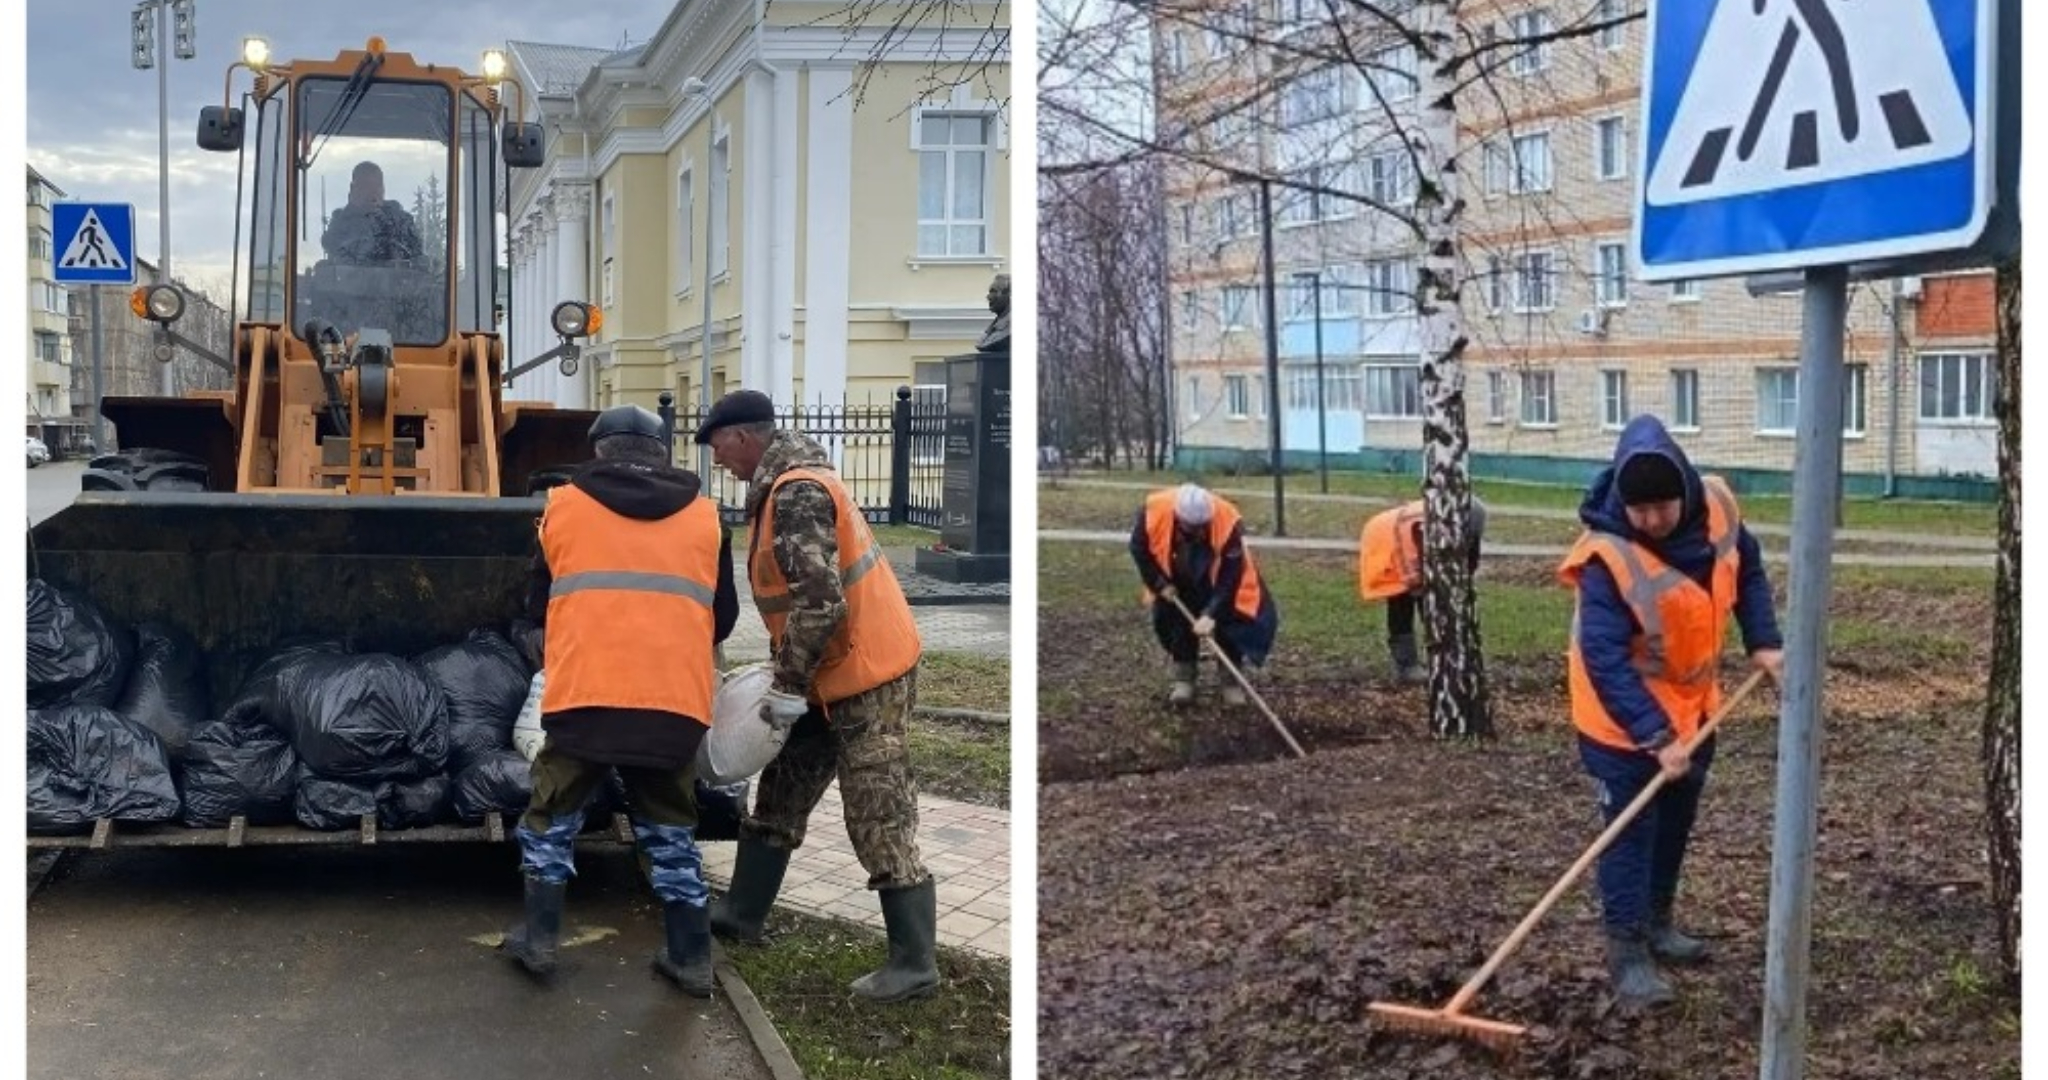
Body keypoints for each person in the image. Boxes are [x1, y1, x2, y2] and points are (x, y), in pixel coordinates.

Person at [694, 389, 939, 1003]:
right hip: (826, 673)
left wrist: (787, 687)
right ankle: (743, 913)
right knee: (782, 789)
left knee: (877, 806)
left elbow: (822, 604)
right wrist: (788, 678)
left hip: (867, 677)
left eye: (718, 446)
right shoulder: (785, 487)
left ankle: (915, 964)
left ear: (744, 437)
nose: (717, 459)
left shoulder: (796, 494)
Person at [499, 403, 740, 999]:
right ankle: (690, 957)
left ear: (599, 450)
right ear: (661, 450)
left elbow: (536, 605)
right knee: (670, 829)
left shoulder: (563, 508)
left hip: (585, 701)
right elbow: (724, 618)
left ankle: (540, 941)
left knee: (551, 819)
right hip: (671, 707)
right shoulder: (707, 518)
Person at [1558, 415, 1783, 1010]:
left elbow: (1747, 567)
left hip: (1694, 709)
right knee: (1631, 832)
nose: (1654, 520)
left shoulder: (1717, 507)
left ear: (1683, 490)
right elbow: (1604, 657)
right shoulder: (1607, 558)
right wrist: (1654, 736)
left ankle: (1658, 922)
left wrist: (1762, 638)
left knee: (1675, 818)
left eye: (1663, 507)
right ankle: (1627, 952)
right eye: (1641, 511)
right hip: (1619, 720)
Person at [1129, 482, 1278, 706]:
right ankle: (1184, 680)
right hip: (1175, 575)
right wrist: (1160, 584)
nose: (1199, 532)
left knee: (1228, 623)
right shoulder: (1153, 511)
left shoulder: (1226, 519)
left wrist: (1211, 612)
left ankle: (1230, 682)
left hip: (1215, 577)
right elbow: (1139, 549)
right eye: (1192, 528)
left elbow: (1230, 573)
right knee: (1178, 624)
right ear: (1178, 518)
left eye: (1203, 527)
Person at [1357, 494, 1488, 685]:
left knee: (1429, 603)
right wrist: (1422, 584)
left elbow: (1470, 558)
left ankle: (1444, 660)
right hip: (1389, 541)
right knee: (1405, 602)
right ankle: (1407, 666)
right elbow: (1421, 565)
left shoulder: (1461, 519)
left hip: (1402, 538)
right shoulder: (1429, 524)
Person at [322, 161, 423, 265]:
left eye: (378, 186)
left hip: (396, 275)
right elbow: (332, 246)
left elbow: (417, 255)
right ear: (353, 189)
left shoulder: (400, 220)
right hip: (353, 275)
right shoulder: (341, 221)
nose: (373, 193)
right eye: (366, 187)